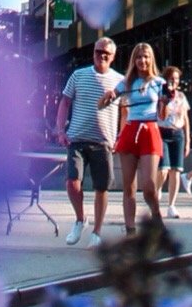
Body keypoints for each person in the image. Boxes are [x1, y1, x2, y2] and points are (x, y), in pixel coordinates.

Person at [53, 35, 122, 246]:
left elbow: (125, 111)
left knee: (101, 188)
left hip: (103, 142)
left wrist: (121, 135)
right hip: (77, 139)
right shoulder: (78, 75)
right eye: (98, 52)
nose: (101, 56)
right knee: (72, 183)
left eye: (106, 54)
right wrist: (60, 130)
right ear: (93, 53)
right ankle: (80, 219)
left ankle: (97, 232)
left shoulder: (120, 80)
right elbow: (65, 102)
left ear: (112, 57)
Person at [112, 42, 167, 236]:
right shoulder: (126, 83)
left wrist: (166, 102)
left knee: (149, 187)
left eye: (146, 57)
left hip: (150, 131)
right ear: (133, 60)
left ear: (151, 59)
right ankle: (130, 229)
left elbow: (162, 115)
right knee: (128, 186)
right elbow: (112, 97)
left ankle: (156, 214)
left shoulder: (159, 83)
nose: (142, 60)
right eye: (138, 57)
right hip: (130, 131)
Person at [158, 65, 191, 214]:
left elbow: (185, 118)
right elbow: (161, 116)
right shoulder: (160, 95)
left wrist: (188, 140)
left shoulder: (181, 97)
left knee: (176, 170)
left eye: (177, 79)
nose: (174, 82)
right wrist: (165, 101)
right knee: (164, 170)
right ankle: (158, 189)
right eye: (172, 79)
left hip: (178, 133)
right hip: (162, 132)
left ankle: (171, 205)